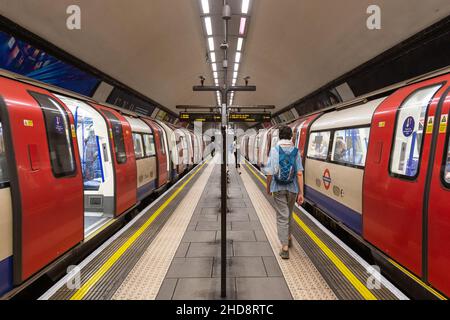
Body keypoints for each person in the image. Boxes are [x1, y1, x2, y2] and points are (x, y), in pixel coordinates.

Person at [265, 126, 304, 260]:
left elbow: (270, 172)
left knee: (282, 216)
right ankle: (288, 237)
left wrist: (268, 187)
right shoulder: (296, 151)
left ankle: (284, 248)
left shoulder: (274, 150)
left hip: (278, 187)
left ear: (280, 136)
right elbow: (299, 173)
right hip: (292, 189)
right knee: (289, 213)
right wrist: (301, 193)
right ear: (291, 137)